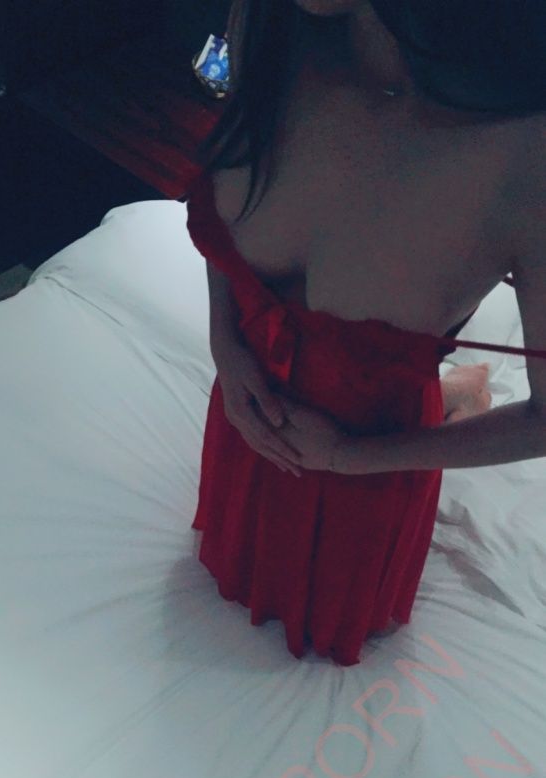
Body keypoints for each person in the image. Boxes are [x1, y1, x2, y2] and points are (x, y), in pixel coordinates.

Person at [184, 0, 546, 666]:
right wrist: (225, 345)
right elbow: (220, 209)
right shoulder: (268, 29)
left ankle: (458, 393)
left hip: (364, 468)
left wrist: (346, 458)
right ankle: (460, 389)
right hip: (245, 412)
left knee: (322, 640)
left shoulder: (528, 149)